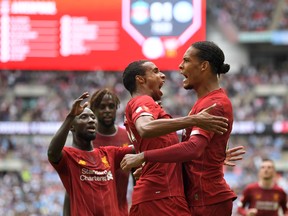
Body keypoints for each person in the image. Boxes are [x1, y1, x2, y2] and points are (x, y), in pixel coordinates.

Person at [121, 44, 244, 216]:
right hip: (197, 198)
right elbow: (196, 149)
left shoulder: (213, 103)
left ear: (203, 66)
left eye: (186, 60)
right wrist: (211, 154)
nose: (179, 66)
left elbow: (193, 149)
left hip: (207, 200)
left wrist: (145, 157)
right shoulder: (201, 105)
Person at [47, 92, 134, 216]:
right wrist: (70, 116)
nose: (91, 121)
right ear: (72, 126)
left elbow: (139, 148)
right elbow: (52, 152)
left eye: (93, 118)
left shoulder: (109, 153)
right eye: (83, 117)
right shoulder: (68, 156)